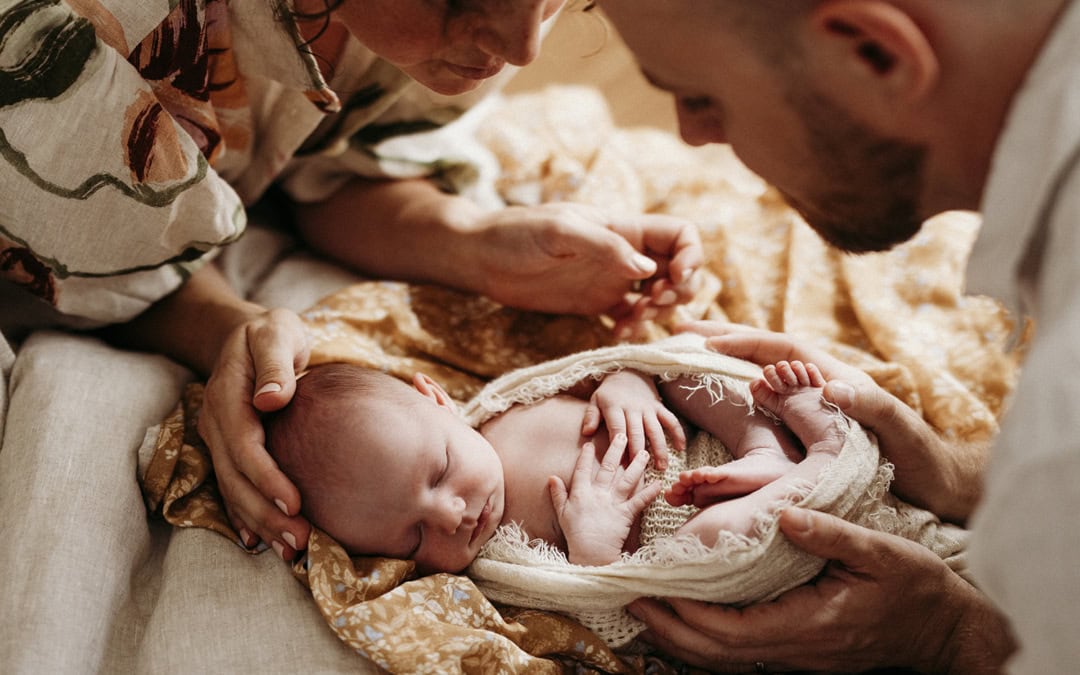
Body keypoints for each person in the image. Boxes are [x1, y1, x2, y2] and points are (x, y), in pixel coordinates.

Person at [0, 0, 704, 567]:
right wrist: (224, 330)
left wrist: (474, 245)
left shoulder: (471, 29)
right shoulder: (74, 37)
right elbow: (113, 270)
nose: (521, 47)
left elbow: (327, 172)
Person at [596, 0, 1079, 671]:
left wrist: (950, 633)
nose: (691, 135)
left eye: (700, 96)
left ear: (873, 55)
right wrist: (956, 471)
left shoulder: (1061, 416)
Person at [263, 358, 838, 573]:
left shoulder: (509, 402)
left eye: (438, 472)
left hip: (710, 446)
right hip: (691, 535)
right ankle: (819, 468)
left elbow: (603, 363)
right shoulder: (504, 561)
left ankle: (770, 447)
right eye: (413, 539)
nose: (452, 516)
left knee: (686, 368)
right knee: (710, 542)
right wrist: (594, 553)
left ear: (437, 398)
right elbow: (606, 614)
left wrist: (629, 382)